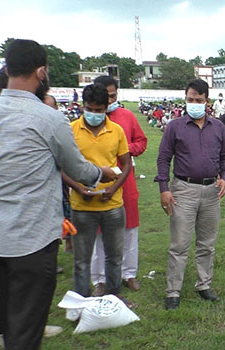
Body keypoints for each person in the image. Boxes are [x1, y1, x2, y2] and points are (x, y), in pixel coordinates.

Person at [0, 39, 117, 350]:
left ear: (6, 68)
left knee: (5, 317)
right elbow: (77, 168)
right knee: (23, 330)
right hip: (30, 240)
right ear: (42, 72)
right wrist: (100, 172)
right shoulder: (48, 118)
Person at [155, 79, 225, 310]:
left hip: (211, 190)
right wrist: (164, 189)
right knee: (179, 243)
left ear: (207, 101)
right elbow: (163, 158)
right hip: (183, 190)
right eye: (190, 100)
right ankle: (173, 291)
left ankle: (204, 284)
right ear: (185, 99)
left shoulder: (217, 127)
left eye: (199, 100)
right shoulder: (175, 126)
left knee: (207, 243)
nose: (194, 103)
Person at [63, 84, 134, 309]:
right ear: (83, 107)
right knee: (81, 262)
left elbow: (126, 164)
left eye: (99, 109)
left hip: (112, 206)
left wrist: (113, 189)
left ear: (106, 108)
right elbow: (62, 167)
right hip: (82, 207)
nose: (94, 114)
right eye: (89, 109)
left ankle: (114, 300)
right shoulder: (71, 129)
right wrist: (78, 188)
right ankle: (81, 303)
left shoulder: (117, 130)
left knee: (114, 258)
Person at [89, 76, 148, 295]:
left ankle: (129, 274)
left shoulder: (127, 116)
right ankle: (100, 279)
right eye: (106, 96)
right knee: (99, 233)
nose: (110, 100)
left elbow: (142, 142)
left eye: (113, 95)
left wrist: (124, 150)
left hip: (126, 182)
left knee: (129, 229)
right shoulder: (90, 119)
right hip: (98, 184)